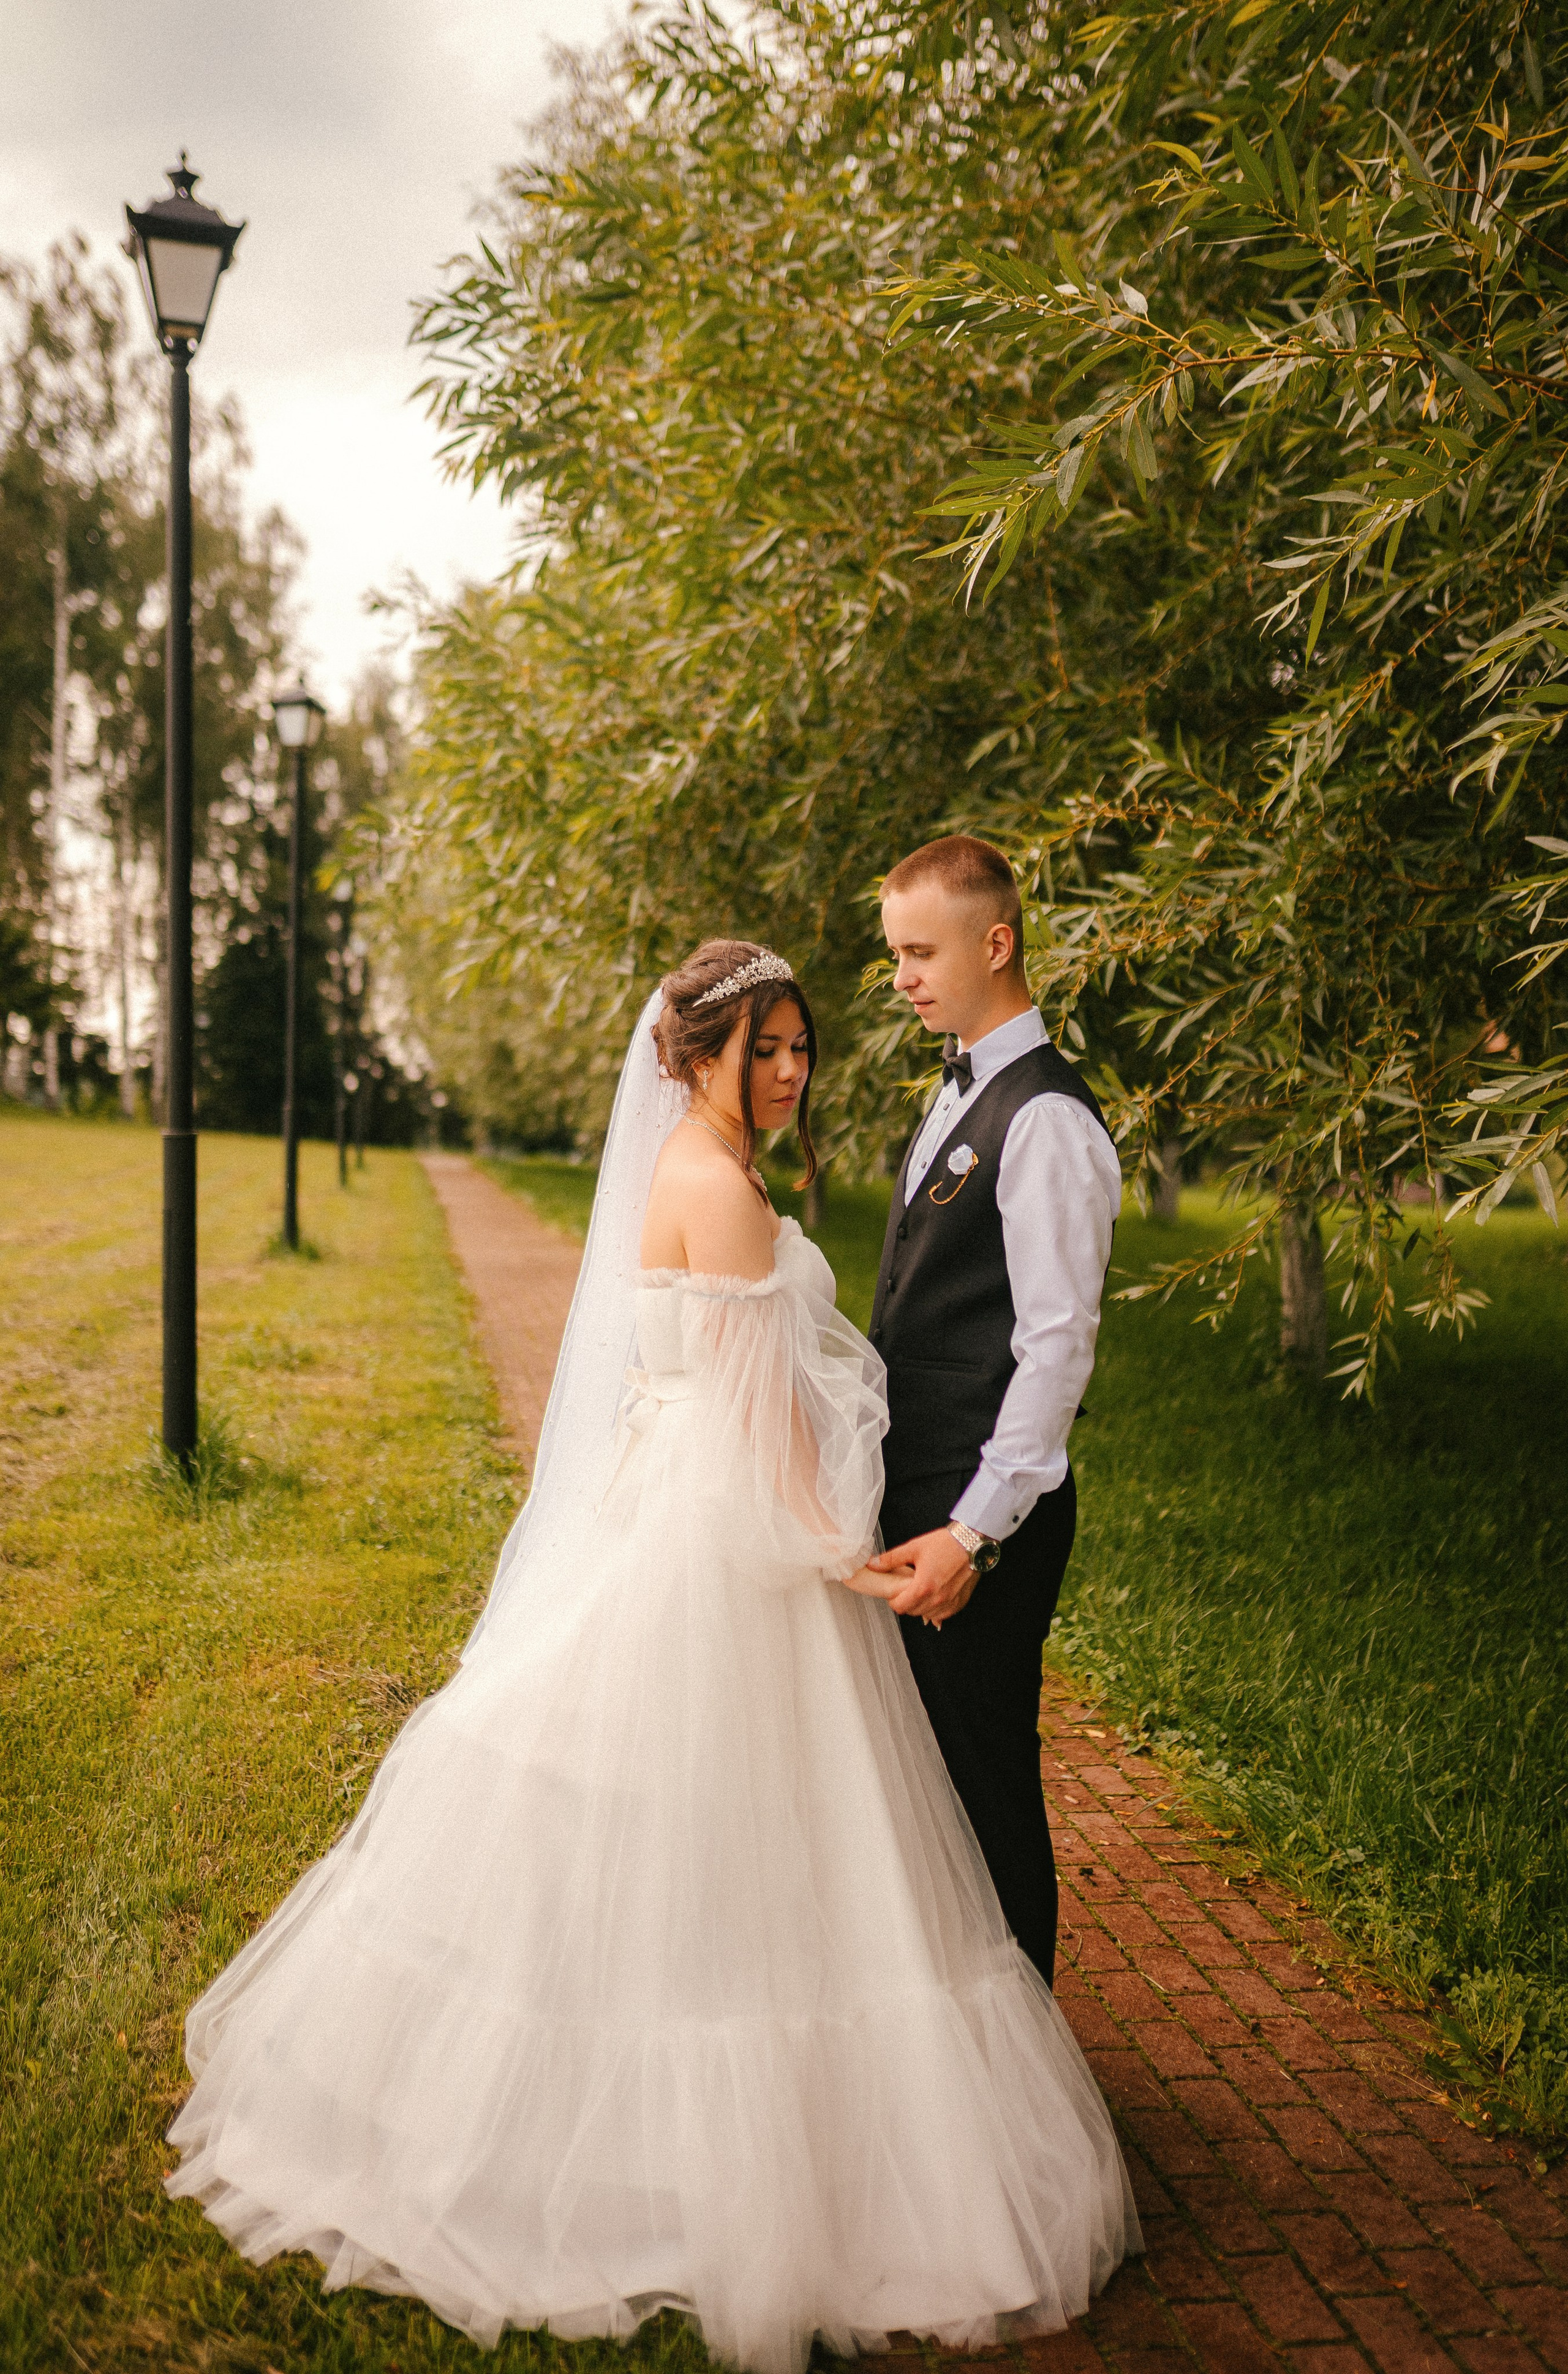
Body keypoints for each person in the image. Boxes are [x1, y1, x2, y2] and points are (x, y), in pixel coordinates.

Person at [165, 940, 1137, 2374]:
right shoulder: (712, 1184)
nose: (793, 1071)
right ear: (692, 1059)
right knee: (740, 1823)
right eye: (766, 1050)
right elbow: (752, 1424)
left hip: (682, 1503)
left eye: (802, 1045)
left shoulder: (703, 1167)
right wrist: (833, 1554)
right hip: (729, 1541)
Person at [856, 837, 1120, 1990]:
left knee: (986, 1786)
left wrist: (977, 1533)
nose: (902, 976)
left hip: (982, 1517)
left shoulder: (1048, 1120)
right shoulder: (955, 1086)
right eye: (895, 955)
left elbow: (1055, 1349)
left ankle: (1026, 2066)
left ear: (996, 943)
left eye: (920, 951)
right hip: (922, 1496)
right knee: (928, 1793)